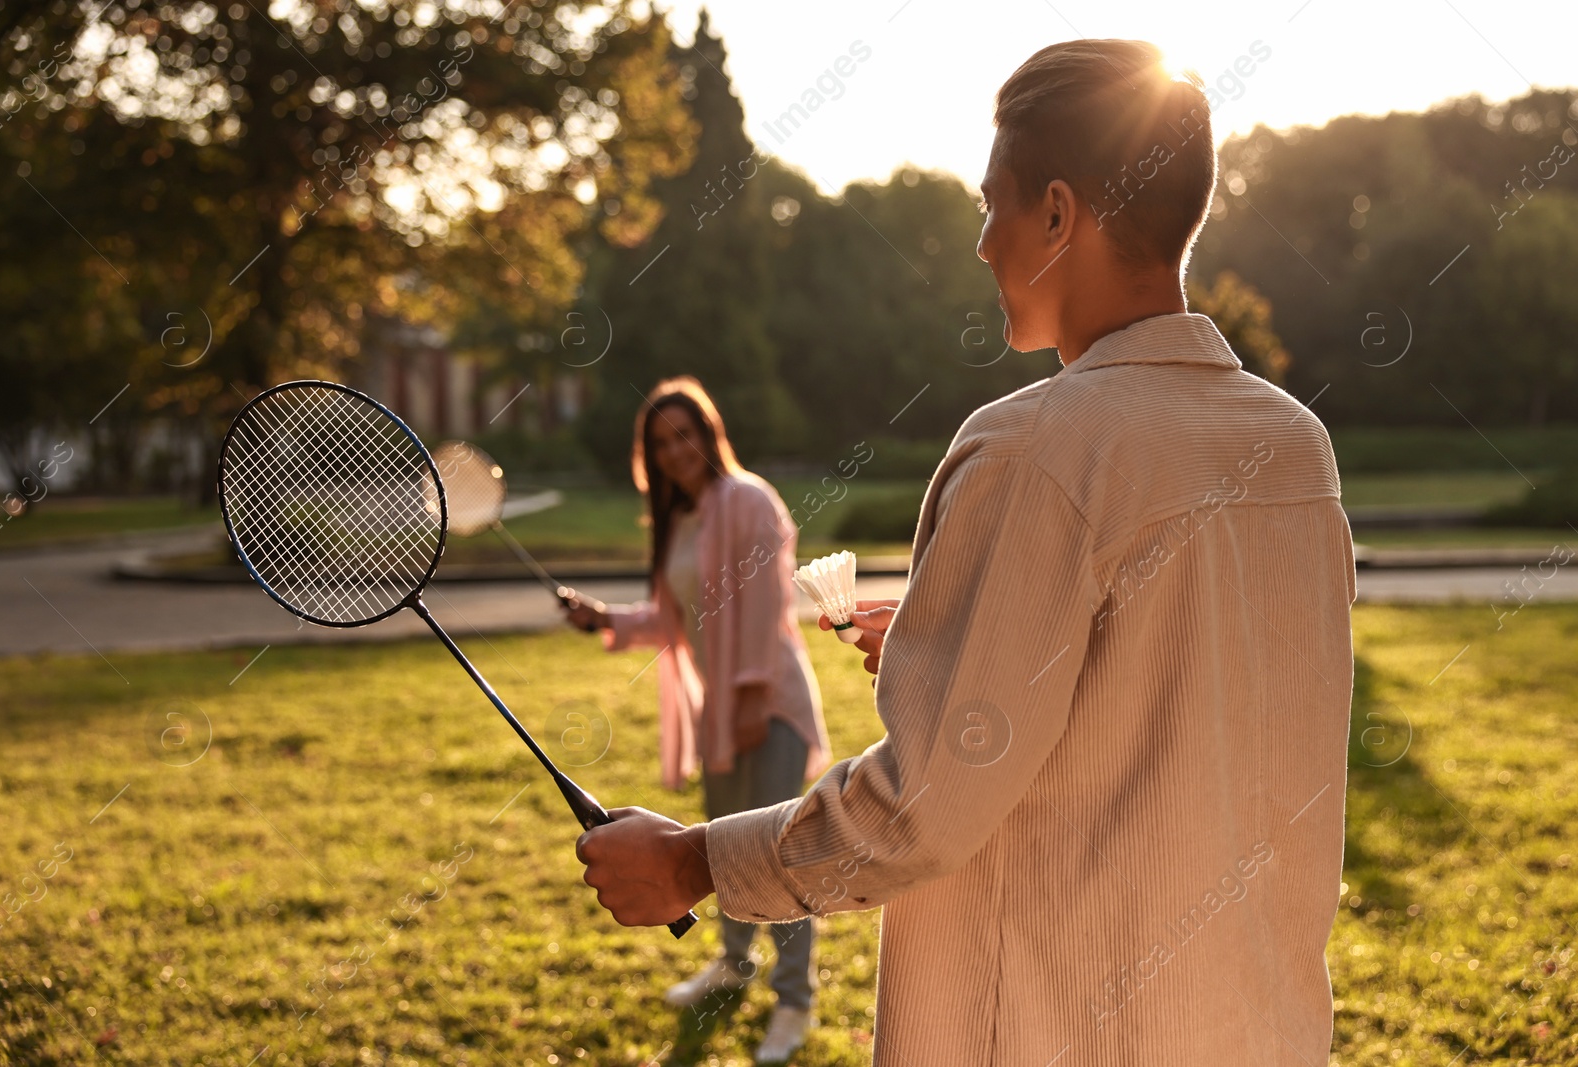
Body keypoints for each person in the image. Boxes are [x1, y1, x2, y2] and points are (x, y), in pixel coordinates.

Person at [574, 40, 1355, 1066]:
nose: (981, 242)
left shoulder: (1032, 446)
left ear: (1059, 214)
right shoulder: (1297, 447)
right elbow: (1189, 709)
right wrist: (955, 644)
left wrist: (689, 860)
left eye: (992, 205)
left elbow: (923, 809)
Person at [560, 375, 832, 1063]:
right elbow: (674, 621)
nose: (675, 449)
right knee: (722, 849)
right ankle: (734, 963)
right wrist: (605, 620)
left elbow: (771, 605)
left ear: (708, 433)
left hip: (766, 706)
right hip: (722, 715)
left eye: (684, 433)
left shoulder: (748, 499)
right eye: (660, 441)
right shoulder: (680, 520)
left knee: (779, 854)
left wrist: (745, 700)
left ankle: (794, 1000)